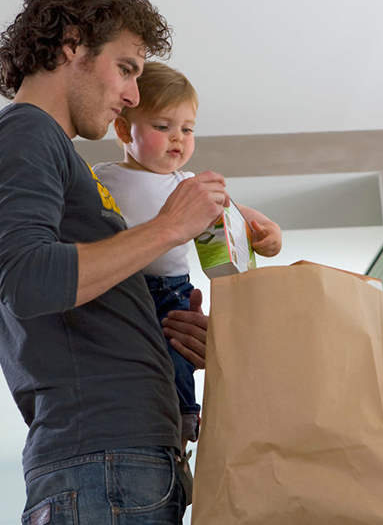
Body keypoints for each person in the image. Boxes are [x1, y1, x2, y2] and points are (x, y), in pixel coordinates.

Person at [0, 0, 226, 523]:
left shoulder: (58, 155)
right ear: (72, 44)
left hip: (121, 459)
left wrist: (162, 338)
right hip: (104, 460)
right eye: (125, 68)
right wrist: (167, 228)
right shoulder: (25, 132)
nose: (132, 93)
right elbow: (30, 278)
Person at [92, 61, 282, 449]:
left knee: (177, 352)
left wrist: (266, 232)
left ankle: (184, 419)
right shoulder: (103, 176)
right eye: (162, 127)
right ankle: (146, 420)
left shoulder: (189, 183)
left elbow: (237, 213)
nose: (178, 139)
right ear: (125, 129)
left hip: (173, 290)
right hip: (124, 284)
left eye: (187, 129)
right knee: (137, 359)